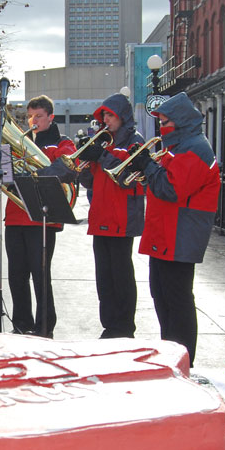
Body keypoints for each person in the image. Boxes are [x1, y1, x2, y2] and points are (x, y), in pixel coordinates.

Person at [126, 92, 220, 365]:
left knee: (177, 299)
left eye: (165, 122)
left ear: (179, 122)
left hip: (181, 233)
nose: (161, 128)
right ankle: (171, 352)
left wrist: (147, 166)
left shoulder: (195, 148)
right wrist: (146, 167)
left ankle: (183, 359)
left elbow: (171, 189)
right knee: (161, 295)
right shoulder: (177, 148)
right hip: (167, 231)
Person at [4, 94, 77, 338]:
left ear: (51, 117)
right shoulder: (19, 144)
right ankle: (21, 324)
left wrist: (34, 173)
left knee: (40, 274)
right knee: (17, 275)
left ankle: (44, 327)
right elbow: (6, 174)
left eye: (38, 116)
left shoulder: (62, 143)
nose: (32, 121)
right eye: (30, 116)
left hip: (43, 218)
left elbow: (67, 168)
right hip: (15, 216)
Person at [76, 92, 145, 339]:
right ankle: (109, 324)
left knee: (121, 274)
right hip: (100, 216)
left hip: (122, 217)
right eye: (104, 114)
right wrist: (83, 159)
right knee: (104, 277)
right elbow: (88, 181)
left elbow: (127, 178)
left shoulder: (134, 141)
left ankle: (124, 326)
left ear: (122, 117)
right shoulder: (102, 140)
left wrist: (101, 156)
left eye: (111, 114)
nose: (106, 119)